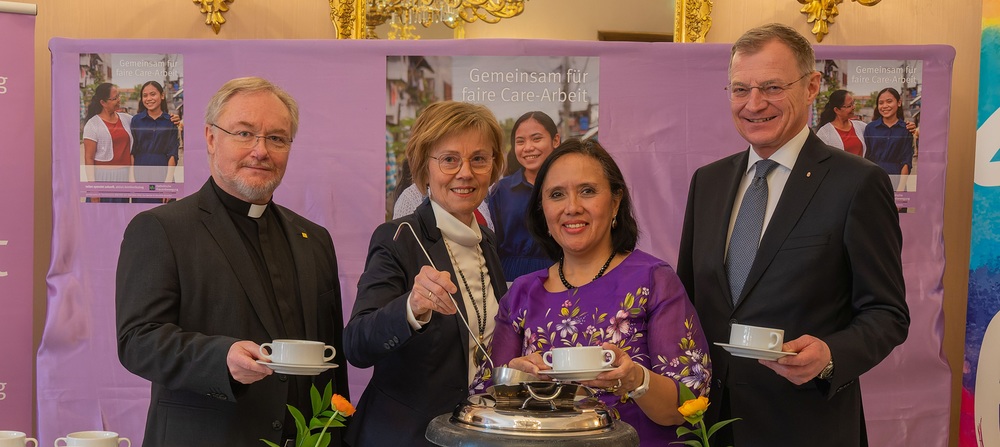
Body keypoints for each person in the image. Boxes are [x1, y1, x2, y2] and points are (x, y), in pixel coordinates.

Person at [676, 23, 909, 446]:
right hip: (710, 426)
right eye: (740, 89)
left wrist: (830, 355)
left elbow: (887, 313)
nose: (754, 104)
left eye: (772, 87)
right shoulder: (707, 182)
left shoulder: (858, 183)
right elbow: (689, 304)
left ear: (811, 87)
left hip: (806, 428)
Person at [116, 77, 350, 447]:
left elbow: (332, 364)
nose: (261, 151)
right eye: (244, 133)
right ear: (211, 138)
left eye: (277, 138)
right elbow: (137, 341)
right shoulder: (162, 229)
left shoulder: (314, 239)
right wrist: (220, 357)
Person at [482, 138, 711, 446]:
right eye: (557, 194)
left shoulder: (653, 280)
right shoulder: (521, 294)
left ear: (615, 202)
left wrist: (635, 380)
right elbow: (486, 401)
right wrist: (515, 378)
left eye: (587, 191)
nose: (572, 207)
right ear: (542, 209)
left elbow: (688, 405)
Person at [344, 101, 508, 446]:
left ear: (493, 167)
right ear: (424, 167)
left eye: (479, 159)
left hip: (473, 434)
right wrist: (411, 308)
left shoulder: (487, 240)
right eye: (449, 159)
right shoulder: (398, 238)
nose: (465, 172)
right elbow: (357, 344)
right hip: (407, 435)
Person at [487, 111, 561, 281]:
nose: (528, 147)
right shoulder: (501, 190)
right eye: (520, 141)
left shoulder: (568, 186)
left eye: (536, 139)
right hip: (508, 278)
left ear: (555, 140)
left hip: (559, 275)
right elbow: (491, 242)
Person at [130, 80, 181, 203]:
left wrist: (168, 182)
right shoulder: (136, 120)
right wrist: (131, 178)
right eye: (145, 95)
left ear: (162, 96)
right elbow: (132, 150)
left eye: (153, 94)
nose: (149, 99)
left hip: (163, 173)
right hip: (140, 173)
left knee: (165, 211)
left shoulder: (171, 121)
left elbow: (173, 153)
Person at [82, 83, 132, 202]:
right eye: (115, 98)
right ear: (103, 103)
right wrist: (93, 189)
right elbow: (89, 158)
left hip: (123, 178)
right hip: (102, 178)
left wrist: (171, 119)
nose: (119, 100)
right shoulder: (92, 125)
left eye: (118, 96)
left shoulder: (127, 119)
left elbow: (146, 120)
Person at [864, 87, 915, 191]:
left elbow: (906, 162)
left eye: (889, 101)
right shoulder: (870, 128)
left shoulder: (906, 129)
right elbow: (866, 157)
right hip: (874, 180)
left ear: (899, 103)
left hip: (897, 180)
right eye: (881, 103)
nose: (885, 106)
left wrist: (900, 189)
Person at [815, 89, 867, 156]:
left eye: (853, 103)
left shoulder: (861, 127)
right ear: (836, 110)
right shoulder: (824, 133)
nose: (853, 107)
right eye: (849, 105)